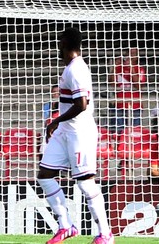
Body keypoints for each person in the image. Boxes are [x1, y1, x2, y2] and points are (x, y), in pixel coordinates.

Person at [38, 27, 114, 244]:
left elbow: (82, 104)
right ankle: (66, 226)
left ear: (65, 44)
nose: (58, 48)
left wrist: (55, 120)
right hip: (66, 131)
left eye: (60, 42)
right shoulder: (70, 68)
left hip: (80, 132)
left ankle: (105, 234)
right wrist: (59, 123)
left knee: (85, 183)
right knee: (45, 174)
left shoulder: (77, 70)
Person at [109, 47, 146, 134]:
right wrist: (114, 67)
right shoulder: (118, 68)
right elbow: (112, 84)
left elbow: (139, 86)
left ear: (137, 57)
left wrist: (131, 69)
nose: (131, 56)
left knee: (135, 133)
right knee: (119, 132)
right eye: (130, 54)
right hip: (120, 105)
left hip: (135, 105)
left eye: (134, 54)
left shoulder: (139, 69)